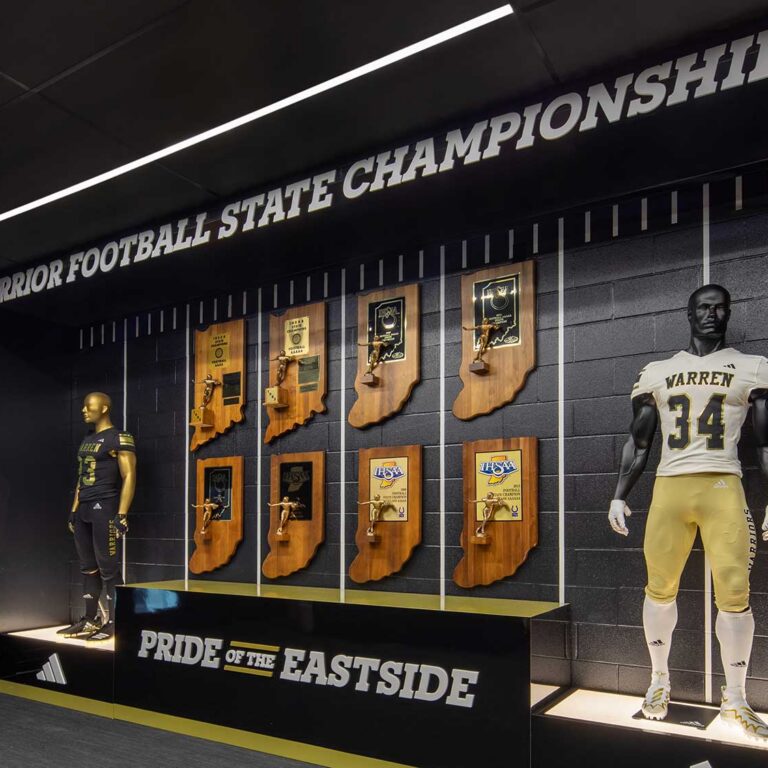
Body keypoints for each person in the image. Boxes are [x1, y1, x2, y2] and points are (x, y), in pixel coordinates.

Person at [608, 284, 768, 737]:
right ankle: (659, 680)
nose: (713, 314)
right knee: (659, 587)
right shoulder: (659, 371)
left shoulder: (752, 367)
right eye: (704, 307)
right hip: (669, 488)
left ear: (730, 313)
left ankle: (735, 698)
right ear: (689, 313)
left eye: (721, 307)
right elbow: (640, 442)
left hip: (723, 484)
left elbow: (766, 444)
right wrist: (620, 493)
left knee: (735, 592)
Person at [58, 392, 136, 642]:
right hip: (84, 508)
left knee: (109, 569)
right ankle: (91, 619)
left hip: (106, 505)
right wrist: (74, 508)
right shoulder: (87, 439)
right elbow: (81, 478)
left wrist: (122, 514)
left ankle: (116, 623)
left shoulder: (119, 437)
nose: (83, 410)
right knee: (88, 568)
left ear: (104, 408)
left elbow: (130, 475)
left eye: (88, 406)